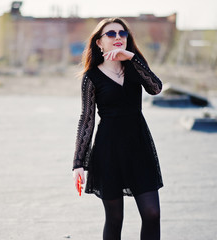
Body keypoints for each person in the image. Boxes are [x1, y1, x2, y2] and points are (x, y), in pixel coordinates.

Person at [72, 18, 163, 240]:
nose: (118, 37)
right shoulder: (91, 77)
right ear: (99, 43)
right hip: (108, 150)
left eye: (122, 34)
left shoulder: (135, 66)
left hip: (139, 147)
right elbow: (87, 119)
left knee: (152, 214)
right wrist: (78, 163)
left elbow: (156, 88)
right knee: (114, 218)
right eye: (111, 34)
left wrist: (132, 58)